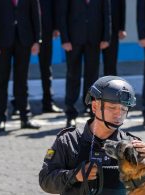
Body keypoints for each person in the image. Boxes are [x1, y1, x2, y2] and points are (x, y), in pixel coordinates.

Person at [0, 0, 42, 132]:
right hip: (1, 41)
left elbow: (35, 14)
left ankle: (25, 118)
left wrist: (37, 40)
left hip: (24, 40)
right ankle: (0, 119)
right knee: (2, 80)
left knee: (22, 80)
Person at [59, 0, 111, 128]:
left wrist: (106, 37)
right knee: (73, 76)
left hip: (94, 38)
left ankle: (91, 110)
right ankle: (70, 113)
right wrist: (65, 39)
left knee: (92, 77)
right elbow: (62, 15)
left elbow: (106, 14)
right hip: (73, 40)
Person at [39, 0, 63, 113]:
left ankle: (47, 103)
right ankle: (18, 105)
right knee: (20, 69)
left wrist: (56, 27)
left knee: (46, 67)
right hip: (25, 30)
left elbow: (55, 5)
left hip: (45, 29)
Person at [101, 0, 126, 76]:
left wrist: (122, 28)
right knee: (91, 65)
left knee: (111, 63)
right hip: (93, 29)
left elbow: (121, 5)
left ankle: (112, 86)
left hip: (113, 29)